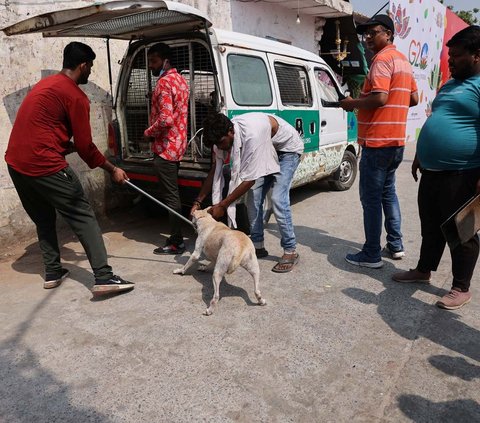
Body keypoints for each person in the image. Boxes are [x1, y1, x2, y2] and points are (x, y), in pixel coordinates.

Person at [5, 42, 134, 296]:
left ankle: (53, 272)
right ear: (83, 65)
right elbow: (87, 148)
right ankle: (104, 277)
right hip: (44, 164)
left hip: (15, 164)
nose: (90, 73)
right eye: (91, 67)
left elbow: (42, 126)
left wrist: (64, 144)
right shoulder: (75, 95)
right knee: (82, 214)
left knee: (43, 217)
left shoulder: (45, 85)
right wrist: (112, 169)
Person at [393, 25, 480, 310]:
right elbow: (438, 119)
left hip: (463, 172)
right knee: (430, 226)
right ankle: (423, 270)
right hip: (432, 171)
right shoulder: (450, 84)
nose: (450, 61)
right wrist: (421, 154)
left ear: (477, 55)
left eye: (456, 56)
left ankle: (460, 287)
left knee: (461, 230)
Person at [339, 14, 418, 268]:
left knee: (371, 199)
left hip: (378, 141)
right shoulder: (403, 62)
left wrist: (352, 103)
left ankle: (371, 253)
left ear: (389, 35)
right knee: (388, 193)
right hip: (396, 142)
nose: (368, 39)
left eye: (373, 33)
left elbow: (380, 98)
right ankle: (395, 245)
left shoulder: (382, 60)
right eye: (365, 35)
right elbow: (413, 99)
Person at [191, 112, 304, 273]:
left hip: (287, 151)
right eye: (217, 144)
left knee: (278, 198)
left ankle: (290, 251)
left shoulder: (253, 134)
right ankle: (258, 246)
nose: (221, 147)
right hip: (268, 148)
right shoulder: (222, 138)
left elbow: (249, 179)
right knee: (254, 197)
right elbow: (214, 170)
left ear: (231, 131)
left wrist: (223, 205)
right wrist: (198, 202)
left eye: (222, 142)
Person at [144, 43, 190, 255]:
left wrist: (147, 133)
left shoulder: (163, 83)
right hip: (178, 145)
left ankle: (176, 241)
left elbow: (166, 119)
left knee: (171, 196)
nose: (150, 66)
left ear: (165, 61)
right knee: (173, 194)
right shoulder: (181, 80)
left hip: (165, 148)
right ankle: (177, 237)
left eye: (154, 61)